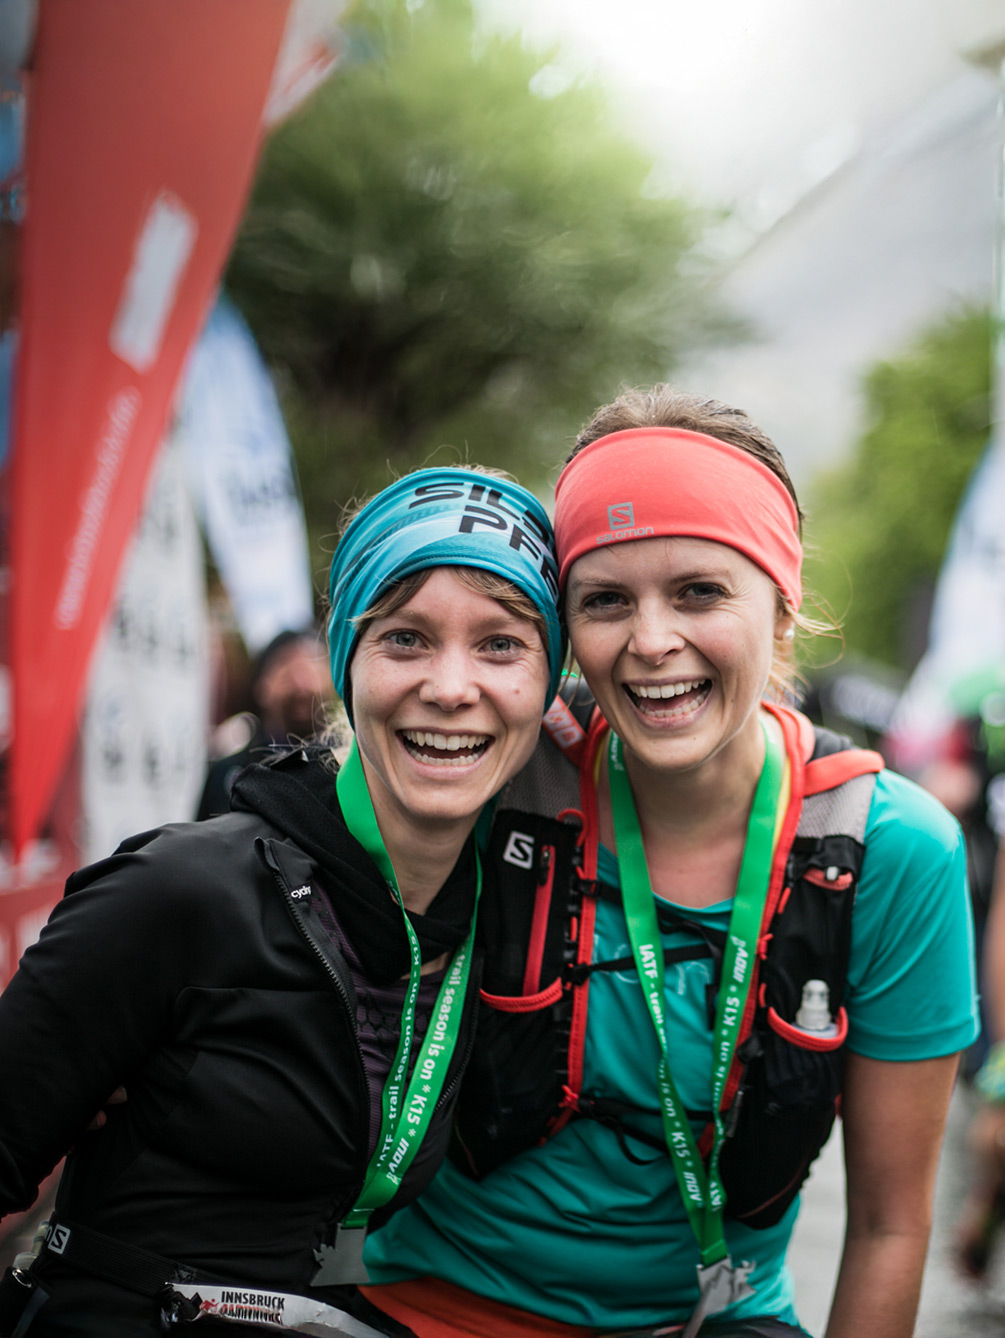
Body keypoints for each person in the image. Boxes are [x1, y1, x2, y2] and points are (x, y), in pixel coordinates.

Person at [361, 387, 979, 1338]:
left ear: (782, 599)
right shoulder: (493, 778)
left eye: (698, 591)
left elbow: (891, 1226)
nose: (651, 641)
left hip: (713, 1323)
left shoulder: (891, 849)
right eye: (605, 600)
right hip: (433, 1311)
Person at [0, 465, 564, 1337]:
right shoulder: (179, 893)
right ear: (346, 662)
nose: (452, 687)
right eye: (405, 638)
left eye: (501, 644)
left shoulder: (500, 914)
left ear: (547, 683)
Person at [196, 626, 333, 820]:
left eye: (312, 667)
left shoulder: (351, 767)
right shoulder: (230, 774)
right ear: (262, 687)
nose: (301, 683)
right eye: (287, 669)